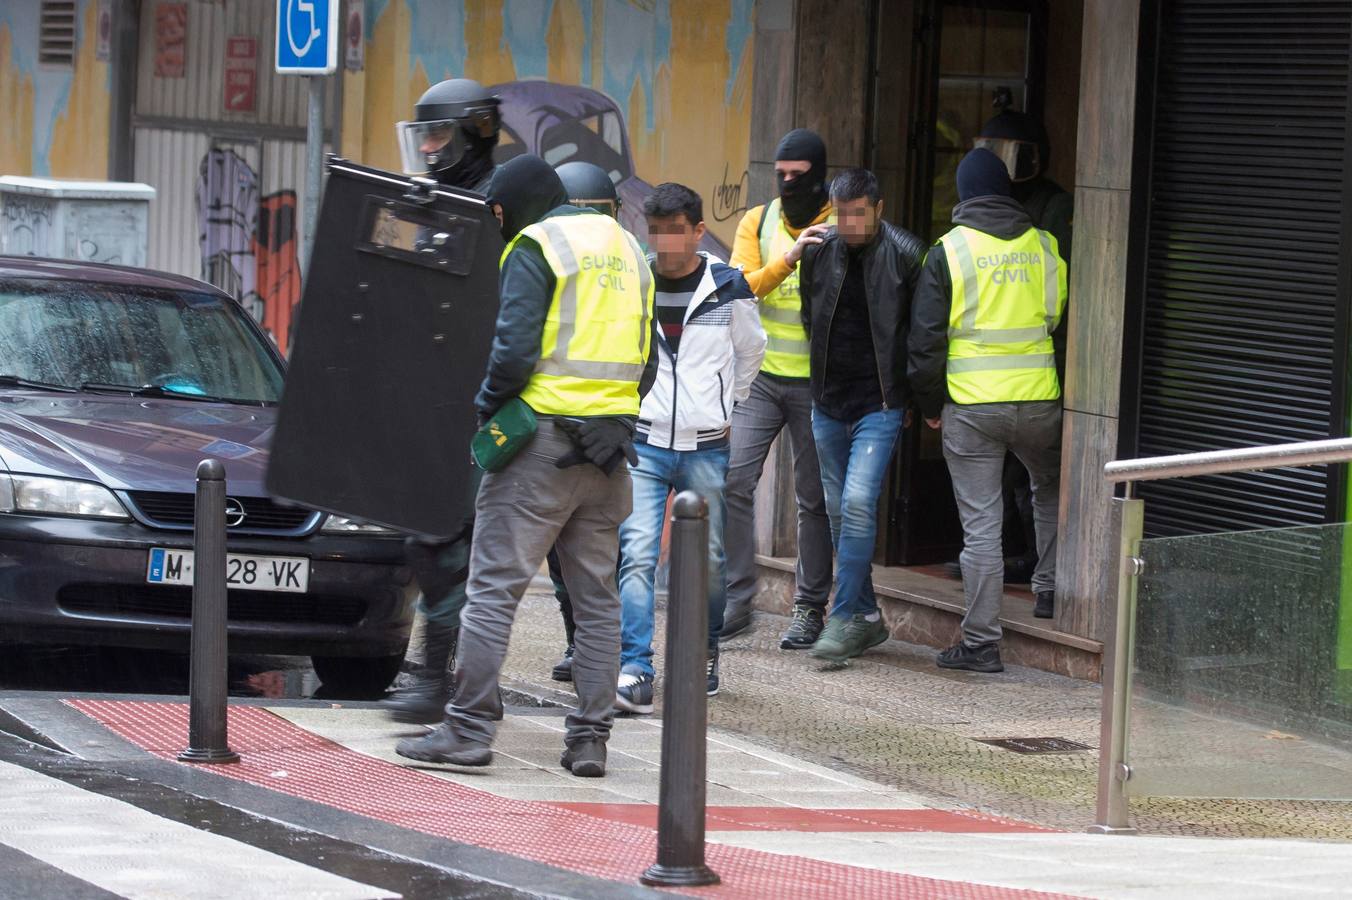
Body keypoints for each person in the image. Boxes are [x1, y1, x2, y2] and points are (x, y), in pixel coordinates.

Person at [396, 155, 657, 777]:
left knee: (491, 592)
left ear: (511, 207)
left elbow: (513, 351)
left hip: (537, 447)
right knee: (597, 604)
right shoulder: (629, 248)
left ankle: (467, 731)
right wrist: (612, 420)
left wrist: (489, 409)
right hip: (609, 456)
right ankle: (590, 739)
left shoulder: (535, 244)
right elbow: (647, 357)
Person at [908, 148, 1067, 673]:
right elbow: (1055, 315)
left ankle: (980, 642)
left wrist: (931, 405)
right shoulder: (1044, 244)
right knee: (1048, 491)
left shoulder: (949, 251)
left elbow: (926, 340)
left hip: (973, 405)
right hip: (1040, 399)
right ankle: (1048, 593)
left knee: (981, 525)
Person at [380, 78, 505, 723]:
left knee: (460, 545)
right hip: (436, 395)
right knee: (432, 540)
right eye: (422, 136)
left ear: (475, 131)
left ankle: (450, 682)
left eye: (440, 135)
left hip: (490, 401)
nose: (429, 149)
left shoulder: (502, 201)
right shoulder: (437, 200)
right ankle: (449, 677)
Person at [614, 183, 765, 713]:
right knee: (635, 555)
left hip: (706, 447)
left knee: (710, 560)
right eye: (655, 232)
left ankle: (703, 652)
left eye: (675, 231)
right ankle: (635, 666)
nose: (664, 243)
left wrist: (725, 404)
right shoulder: (637, 284)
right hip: (647, 443)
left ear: (698, 231)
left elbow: (751, 351)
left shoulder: (728, 287)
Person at [796, 169, 925, 665]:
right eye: (840, 213)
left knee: (855, 504)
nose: (848, 223)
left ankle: (842, 616)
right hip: (828, 401)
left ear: (879, 208)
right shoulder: (817, 252)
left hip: (881, 404)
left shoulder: (907, 254)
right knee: (836, 510)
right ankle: (868, 618)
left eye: (858, 213)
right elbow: (812, 316)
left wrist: (913, 398)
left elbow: (920, 332)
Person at [722, 128, 835, 648]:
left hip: (818, 383)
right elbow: (739, 287)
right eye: (782, 175)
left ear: (819, 173)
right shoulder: (758, 220)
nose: (789, 184)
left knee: (813, 499)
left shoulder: (838, 220)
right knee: (732, 481)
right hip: (763, 378)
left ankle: (810, 607)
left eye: (800, 176)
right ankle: (735, 598)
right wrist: (788, 258)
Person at [972, 108, 1073, 612]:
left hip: (1035, 371)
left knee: (1025, 484)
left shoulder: (1053, 207)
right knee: (1012, 485)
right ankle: (1026, 561)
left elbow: (1059, 297)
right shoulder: (989, 207)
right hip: (1002, 380)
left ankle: (1038, 567)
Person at [545, 160, 626, 683]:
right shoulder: (628, 260)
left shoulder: (550, 254)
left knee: (590, 565)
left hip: (577, 431)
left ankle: (593, 658)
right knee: (575, 565)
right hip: (589, 432)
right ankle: (584, 654)